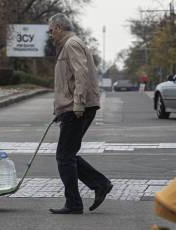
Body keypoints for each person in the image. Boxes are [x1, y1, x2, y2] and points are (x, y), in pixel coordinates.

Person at [47, 13, 112, 215]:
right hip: (74, 108)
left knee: (64, 156)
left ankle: (75, 203)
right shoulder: (70, 44)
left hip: (78, 109)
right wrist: (60, 109)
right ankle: (99, 184)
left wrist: (78, 104)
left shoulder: (71, 44)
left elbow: (80, 74)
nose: (50, 35)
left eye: (51, 30)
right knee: (68, 153)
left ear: (58, 27)